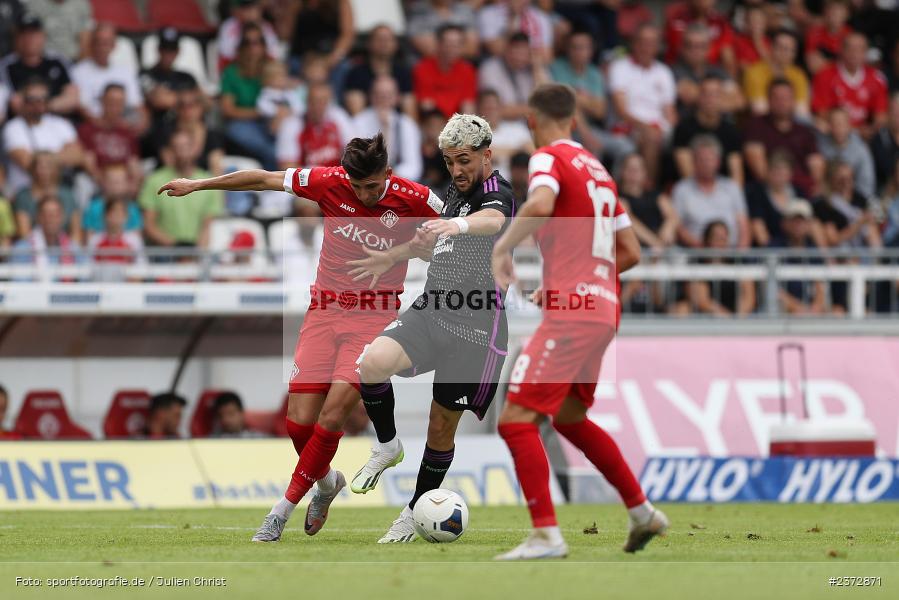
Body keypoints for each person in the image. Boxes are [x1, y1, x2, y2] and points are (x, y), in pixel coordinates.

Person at [156, 133, 444, 542]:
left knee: (331, 417)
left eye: (374, 186)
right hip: (323, 313)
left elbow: (452, 240)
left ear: (389, 174)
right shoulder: (328, 182)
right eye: (358, 186)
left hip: (373, 319)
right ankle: (327, 484)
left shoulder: (417, 198)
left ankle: (279, 512)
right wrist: (199, 185)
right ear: (347, 176)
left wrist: (420, 249)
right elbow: (262, 179)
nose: (365, 195)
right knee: (298, 425)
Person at [490, 84, 665, 560]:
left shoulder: (547, 158)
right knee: (568, 417)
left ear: (532, 120)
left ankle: (546, 534)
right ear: (573, 119)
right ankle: (641, 511)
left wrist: (503, 247)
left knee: (515, 419)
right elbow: (629, 252)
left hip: (574, 312)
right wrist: (581, 277)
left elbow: (542, 204)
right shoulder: (600, 172)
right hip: (605, 308)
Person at [352, 114, 514, 543]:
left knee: (440, 427)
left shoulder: (498, 193)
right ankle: (387, 444)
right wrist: (396, 255)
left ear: (485, 155)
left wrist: (456, 224)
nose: (457, 170)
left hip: (475, 329)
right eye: (448, 162)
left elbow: (493, 222)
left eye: (463, 160)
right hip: (433, 310)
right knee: (373, 363)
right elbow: (437, 247)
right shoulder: (453, 195)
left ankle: (413, 511)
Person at [608, 24, 676, 184]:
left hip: (659, 128)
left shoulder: (664, 72)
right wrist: (647, 128)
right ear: (634, 43)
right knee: (650, 137)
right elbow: (620, 110)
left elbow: (670, 112)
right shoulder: (620, 67)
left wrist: (670, 129)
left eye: (652, 43)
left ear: (658, 46)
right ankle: (649, 189)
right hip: (628, 126)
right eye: (643, 42)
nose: (647, 47)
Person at [140, 131, 223, 249]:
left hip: (196, 252)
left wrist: (195, 253)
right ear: (170, 152)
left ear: (195, 149)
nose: (182, 152)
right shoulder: (154, 181)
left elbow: (207, 226)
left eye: (186, 146)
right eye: (177, 147)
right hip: (164, 252)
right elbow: (149, 225)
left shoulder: (207, 182)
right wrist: (177, 248)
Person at [743, 78, 824, 198]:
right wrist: (783, 189)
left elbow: (816, 164)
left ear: (793, 101)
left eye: (786, 98)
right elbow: (760, 171)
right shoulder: (756, 126)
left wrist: (818, 184)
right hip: (768, 192)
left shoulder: (804, 131)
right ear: (769, 100)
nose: (781, 102)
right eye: (777, 98)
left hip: (803, 192)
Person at [2, 78, 83, 195]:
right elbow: (27, 162)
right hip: (25, 190)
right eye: (32, 99)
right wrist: (60, 157)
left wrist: (43, 160)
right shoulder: (13, 127)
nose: (38, 104)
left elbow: (77, 156)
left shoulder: (61, 123)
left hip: (60, 188)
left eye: (43, 99)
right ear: (23, 101)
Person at [673, 135, 749, 249]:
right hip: (696, 256)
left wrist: (740, 255)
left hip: (732, 256)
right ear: (694, 162)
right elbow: (677, 226)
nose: (706, 164)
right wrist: (703, 249)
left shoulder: (732, 187)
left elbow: (744, 224)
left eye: (710, 159)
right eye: (702, 160)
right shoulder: (682, 189)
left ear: (718, 162)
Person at [812, 32, 889, 140]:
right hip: (834, 133)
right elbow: (822, 112)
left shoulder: (877, 78)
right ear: (841, 50)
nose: (854, 53)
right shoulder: (825, 75)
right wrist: (852, 130)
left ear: (866, 53)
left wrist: (871, 130)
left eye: (860, 49)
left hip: (865, 137)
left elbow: (880, 116)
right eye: (850, 48)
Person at [71, 23, 146, 132]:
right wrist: (107, 126)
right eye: (99, 42)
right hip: (95, 128)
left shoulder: (126, 71)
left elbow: (138, 105)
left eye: (106, 43)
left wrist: (141, 124)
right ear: (91, 44)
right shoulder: (78, 71)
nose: (102, 47)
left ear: (114, 45)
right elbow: (82, 108)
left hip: (126, 127)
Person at [0, 14, 79, 116]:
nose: (29, 39)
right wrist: (50, 104)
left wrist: (42, 105)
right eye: (24, 34)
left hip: (58, 121)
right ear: (16, 38)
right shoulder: (6, 66)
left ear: (43, 36)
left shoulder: (58, 61)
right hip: (23, 123)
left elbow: (72, 98)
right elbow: (15, 103)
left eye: (33, 33)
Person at [220, 24, 275, 170]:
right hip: (241, 123)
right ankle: (276, 185)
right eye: (247, 42)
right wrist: (258, 113)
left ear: (264, 46)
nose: (252, 47)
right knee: (269, 149)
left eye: (257, 42)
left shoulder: (271, 68)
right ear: (240, 47)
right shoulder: (231, 72)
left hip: (269, 120)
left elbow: (286, 94)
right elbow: (227, 110)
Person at [672, 75, 743, 185]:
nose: (711, 99)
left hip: (723, 191)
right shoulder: (684, 128)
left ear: (722, 99)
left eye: (716, 95)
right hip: (693, 191)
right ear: (699, 97)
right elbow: (686, 174)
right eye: (706, 94)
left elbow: (737, 175)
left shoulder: (731, 131)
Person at [353, 76, 423, 182]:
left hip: (398, 183)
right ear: (371, 96)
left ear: (397, 98)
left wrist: (390, 176)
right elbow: (355, 162)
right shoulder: (358, 122)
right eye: (379, 95)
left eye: (388, 95)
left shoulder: (407, 124)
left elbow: (414, 166)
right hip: (367, 183)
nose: (383, 99)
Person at [276, 83, 354, 170]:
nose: (318, 106)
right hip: (306, 180)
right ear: (307, 101)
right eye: (314, 101)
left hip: (337, 177)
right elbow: (287, 167)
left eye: (323, 101)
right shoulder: (292, 124)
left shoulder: (338, 116)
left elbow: (353, 153)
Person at [685, 221, 756, 316]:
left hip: (736, 316)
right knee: (682, 309)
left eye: (724, 238)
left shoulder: (737, 262)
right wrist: (725, 317)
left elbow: (748, 297)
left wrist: (737, 318)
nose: (720, 242)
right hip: (708, 316)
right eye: (716, 238)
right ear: (707, 240)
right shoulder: (697, 264)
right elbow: (702, 301)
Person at [770, 199, 828, 315]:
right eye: (793, 220)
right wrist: (799, 309)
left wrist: (814, 310)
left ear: (809, 224)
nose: (798, 224)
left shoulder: (814, 250)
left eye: (802, 220)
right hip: (782, 312)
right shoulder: (774, 248)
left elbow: (820, 287)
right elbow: (774, 290)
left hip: (810, 312)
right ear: (784, 223)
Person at [77, 83, 142, 186]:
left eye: (119, 103)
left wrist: (134, 183)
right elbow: (89, 163)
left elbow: (133, 163)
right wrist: (106, 184)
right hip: (98, 181)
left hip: (123, 181)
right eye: (111, 101)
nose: (115, 107)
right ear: (103, 101)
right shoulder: (87, 129)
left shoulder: (128, 132)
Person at [671, 23, 742, 117]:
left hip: (721, 129)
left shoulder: (719, 71)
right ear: (682, 48)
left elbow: (739, 101)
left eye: (700, 46)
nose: (695, 50)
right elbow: (689, 95)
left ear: (709, 48)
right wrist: (721, 96)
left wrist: (706, 99)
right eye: (689, 45)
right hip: (689, 128)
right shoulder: (673, 72)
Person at [343, 24, 414, 117]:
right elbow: (357, 117)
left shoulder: (403, 74)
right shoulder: (357, 74)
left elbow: (410, 116)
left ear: (396, 45)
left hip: (397, 127)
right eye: (379, 39)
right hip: (367, 128)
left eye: (388, 39)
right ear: (369, 43)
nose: (384, 43)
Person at [478, 32, 549, 122]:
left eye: (524, 51)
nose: (519, 56)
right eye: (516, 49)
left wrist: (537, 67)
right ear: (506, 49)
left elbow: (547, 97)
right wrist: (537, 109)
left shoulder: (533, 68)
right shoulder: (490, 68)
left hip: (530, 124)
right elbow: (495, 110)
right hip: (501, 126)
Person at [412, 24, 477, 119]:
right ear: (439, 44)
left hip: (457, 125)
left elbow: (468, 106)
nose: (452, 49)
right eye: (449, 44)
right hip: (433, 123)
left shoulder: (467, 70)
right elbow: (426, 106)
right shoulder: (423, 69)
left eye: (457, 44)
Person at [140, 27, 200, 129]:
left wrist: (171, 96)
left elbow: (203, 102)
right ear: (158, 50)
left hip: (185, 128)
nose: (168, 54)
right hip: (159, 129)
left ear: (178, 52)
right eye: (164, 49)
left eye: (172, 50)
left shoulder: (186, 76)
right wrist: (185, 98)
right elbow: (158, 101)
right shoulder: (145, 74)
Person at [13, 152, 80, 241]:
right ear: (33, 169)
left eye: (48, 166)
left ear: (56, 169)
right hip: (33, 249)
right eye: (40, 166)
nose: (43, 171)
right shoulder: (23, 197)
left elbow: (76, 233)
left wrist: (68, 252)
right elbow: (24, 234)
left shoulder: (67, 195)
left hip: (65, 249)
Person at [743, 29, 810, 117]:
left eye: (791, 50)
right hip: (763, 122)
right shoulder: (755, 72)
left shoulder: (798, 74)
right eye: (782, 48)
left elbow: (802, 110)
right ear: (771, 48)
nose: (787, 53)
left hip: (791, 121)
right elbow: (760, 109)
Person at [817, 108, 877, 200]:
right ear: (829, 126)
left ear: (849, 126)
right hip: (827, 198)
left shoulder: (861, 151)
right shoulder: (821, 146)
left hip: (853, 199)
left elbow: (866, 186)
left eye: (842, 124)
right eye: (834, 124)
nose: (838, 128)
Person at [664, 0, 735, 73]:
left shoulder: (720, 22)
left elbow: (728, 59)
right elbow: (686, 51)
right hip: (679, 72)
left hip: (711, 74)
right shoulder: (676, 17)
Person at [476, 89, 533, 179]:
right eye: (487, 108)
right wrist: (519, 152)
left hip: (520, 185)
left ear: (501, 108)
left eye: (494, 108)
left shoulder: (518, 129)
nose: (491, 112)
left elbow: (532, 151)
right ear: (479, 110)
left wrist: (500, 154)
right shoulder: (473, 134)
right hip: (490, 187)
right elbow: (482, 156)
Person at [478, 0, 553, 61]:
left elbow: (546, 56)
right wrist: (513, 18)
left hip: (531, 69)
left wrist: (520, 54)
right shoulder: (489, 13)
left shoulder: (541, 17)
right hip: (499, 66)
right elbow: (495, 49)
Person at [217, 0, 280, 71]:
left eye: (252, 8)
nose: (249, 12)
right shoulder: (229, 25)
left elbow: (274, 54)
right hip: (236, 69)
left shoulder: (266, 27)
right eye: (245, 8)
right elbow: (226, 55)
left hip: (261, 69)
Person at [407, 0, 480, 58]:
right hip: (431, 67)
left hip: (465, 65)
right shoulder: (419, 11)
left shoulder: (464, 9)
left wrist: (446, 50)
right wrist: (459, 48)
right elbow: (429, 50)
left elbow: (472, 49)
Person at [26, 0, 94, 62]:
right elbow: (29, 39)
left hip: (73, 60)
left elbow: (86, 41)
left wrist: (80, 67)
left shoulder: (81, 4)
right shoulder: (34, 4)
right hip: (44, 62)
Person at [805, 0, 853, 75]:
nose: (835, 13)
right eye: (831, 9)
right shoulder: (814, 33)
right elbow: (813, 66)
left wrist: (825, 63)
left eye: (839, 10)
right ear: (825, 12)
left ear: (847, 14)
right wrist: (838, 64)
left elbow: (852, 66)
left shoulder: (851, 36)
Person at [871, 93, 899, 189]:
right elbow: (885, 169)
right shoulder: (880, 138)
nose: (897, 117)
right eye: (894, 113)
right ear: (888, 114)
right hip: (885, 188)